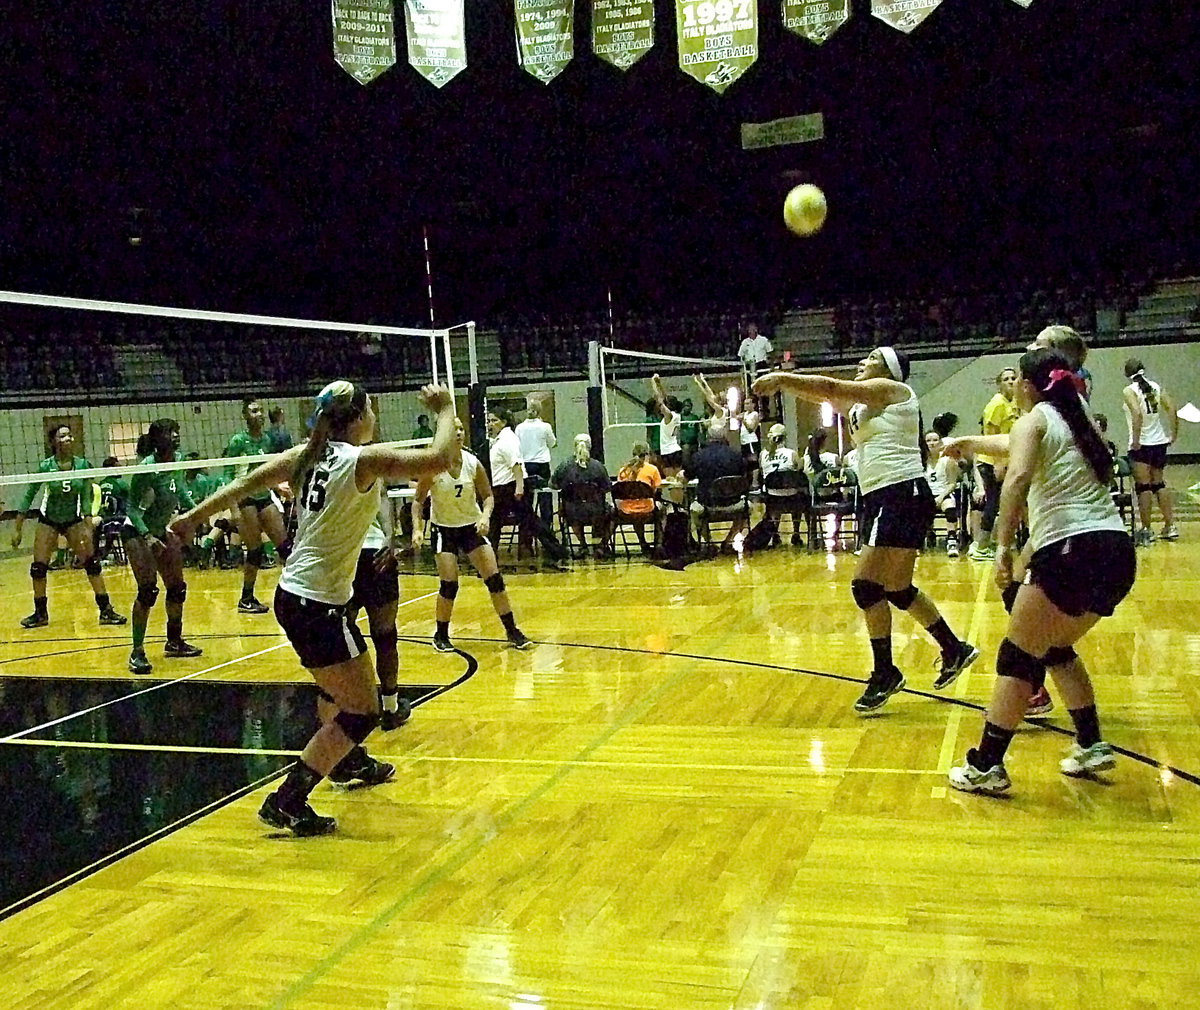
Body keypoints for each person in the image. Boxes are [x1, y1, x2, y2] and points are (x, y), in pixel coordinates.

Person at [172, 381, 458, 836]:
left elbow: (245, 484)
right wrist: (445, 409)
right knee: (362, 710)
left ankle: (340, 765)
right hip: (317, 604)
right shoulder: (361, 460)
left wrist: (192, 519)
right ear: (360, 417)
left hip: (301, 595)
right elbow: (441, 458)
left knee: (342, 692)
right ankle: (288, 800)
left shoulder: (308, 455)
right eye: (371, 411)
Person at [949, 348, 1136, 794]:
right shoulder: (1078, 415)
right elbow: (1017, 442)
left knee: (1017, 657)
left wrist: (1001, 546)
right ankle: (1090, 744)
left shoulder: (1034, 419)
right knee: (1054, 647)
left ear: (1029, 386)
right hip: (1115, 551)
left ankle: (987, 765)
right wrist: (972, 443)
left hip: (1072, 550)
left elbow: (1015, 476)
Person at [754, 346, 978, 712]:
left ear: (888, 369)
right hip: (887, 496)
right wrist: (787, 389)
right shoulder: (863, 407)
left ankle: (885, 672)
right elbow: (826, 393)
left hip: (900, 492)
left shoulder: (895, 391)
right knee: (898, 589)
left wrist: (781, 378)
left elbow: (831, 385)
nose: (863, 362)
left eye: (872, 358)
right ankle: (954, 649)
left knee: (865, 586)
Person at [412, 418, 532, 653]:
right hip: (444, 529)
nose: (458, 432)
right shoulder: (433, 467)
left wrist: (485, 516)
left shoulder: (473, 463)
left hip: (470, 527)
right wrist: (417, 529)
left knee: (495, 580)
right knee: (449, 585)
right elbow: (418, 501)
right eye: (453, 429)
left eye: (461, 428)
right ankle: (441, 634)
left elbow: (488, 496)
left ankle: (512, 631)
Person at [11, 425, 126, 629]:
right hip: (49, 519)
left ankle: (106, 610)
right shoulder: (46, 467)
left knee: (91, 563)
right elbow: (29, 494)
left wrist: (89, 517)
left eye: (69, 435)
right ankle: (40, 613)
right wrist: (18, 527)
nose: (68, 439)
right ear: (53, 442)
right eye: (62, 436)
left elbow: (88, 493)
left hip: (73, 519)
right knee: (38, 567)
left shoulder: (82, 465)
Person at [124, 419, 204, 675]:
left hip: (160, 530)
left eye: (177, 431)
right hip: (136, 532)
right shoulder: (147, 468)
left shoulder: (177, 461)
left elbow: (179, 490)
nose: (176, 436)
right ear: (159, 439)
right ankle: (137, 652)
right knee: (148, 591)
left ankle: (174, 641)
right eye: (171, 433)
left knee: (177, 588)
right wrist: (147, 536)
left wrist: (196, 512)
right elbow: (132, 509)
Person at [225, 397, 290, 614]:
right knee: (255, 551)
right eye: (253, 411)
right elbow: (228, 475)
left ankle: (296, 593)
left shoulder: (267, 440)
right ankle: (246, 597)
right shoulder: (237, 441)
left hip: (263, 495)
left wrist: (279, 487)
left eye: (260, 410)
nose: (259, 414)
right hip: (244, 498)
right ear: (245, 415)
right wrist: (233, 507)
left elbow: (267, 471)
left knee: (285, 547)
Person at [486, 407, 568, 567]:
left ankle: (557, 550)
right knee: (522, 521)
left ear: (503, 422)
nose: (490, 424)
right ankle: (557, 550)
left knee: (524, 521)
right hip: (502, 487)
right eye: (489, 421)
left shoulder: (507, 439)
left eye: (494, 420)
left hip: (509, 487)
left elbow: (516, 465)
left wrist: (519, 487)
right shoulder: (499, 439)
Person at [1122, 357, 1178, 544]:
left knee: (1144, 486)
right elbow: (1171, 408)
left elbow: (1137, 414)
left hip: (1142, 444)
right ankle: (1170, 526)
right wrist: (1173, 434)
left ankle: (1146, 529)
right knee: (1159, 483)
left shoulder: (1129, 391)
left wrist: (1136, 440)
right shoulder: (1156, 386)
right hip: (1159, 442)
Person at [969, 367, 1020, 561]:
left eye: (1013, 378)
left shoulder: (1013, 404)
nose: (1010, 381)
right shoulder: (996, 404)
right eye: (1006, 378)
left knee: (1000, 503)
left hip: (1007, 459)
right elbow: (990, 434)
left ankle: (990, 542)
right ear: (999, 384)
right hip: (990, 462)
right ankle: (980, 546)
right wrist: (998, 462)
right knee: (992, 503)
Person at [682, 418, 748, 551]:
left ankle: (709, 542)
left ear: (708, 437)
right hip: (733, 503)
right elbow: (744, 477)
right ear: (724, 437)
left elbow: (686, 478)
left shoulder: (698, 456)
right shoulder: (736, 455)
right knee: (748, 508)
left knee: (694, 510)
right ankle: (728, 540)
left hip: (708, 504)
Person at [758, 423, 804, 547]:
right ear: (784, 438)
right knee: (799, 494)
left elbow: (762, 474)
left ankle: (775, 534)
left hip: (773, 498)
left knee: (773, 497)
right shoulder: (792, 454)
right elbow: (800, 471)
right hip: (791, 497)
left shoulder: (763, 455)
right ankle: (796, 532)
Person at [515, 402, 557, 529]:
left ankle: (527, 525)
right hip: (542, 464)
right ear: (539, 411)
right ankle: (546, 524)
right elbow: (553, 443)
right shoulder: (545, 427)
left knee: (527, 497)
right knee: (545, 494)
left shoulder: (519, 428)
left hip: (526, 465)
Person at [615, 442, 661, 555]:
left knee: (619, 511)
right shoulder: (652, 470)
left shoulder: (623, 470)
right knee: (662, 510)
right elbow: (655, 491)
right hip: (646, 510)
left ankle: (642, 542)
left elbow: (620, 489)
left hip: (627, 510)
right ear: (646, 455)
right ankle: (659, 544)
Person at [924, 431, 962, 557]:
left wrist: (940, 497)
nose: (932, 443)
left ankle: (951, 541)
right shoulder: (921, 462)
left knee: (950, 506)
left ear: (940, 443)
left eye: (935, 440)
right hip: (927, 495)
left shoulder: (947, 460)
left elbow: (952, 483)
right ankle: (926, 535)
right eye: (928, 441)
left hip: (943, 494)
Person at [649, 374, 684, 478]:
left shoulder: (669, 416)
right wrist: (660, 384)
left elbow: (659, 400)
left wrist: (653, 382)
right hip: (675, 450)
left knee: (671, 481)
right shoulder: (677, 416)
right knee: (678, 480)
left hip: (668, 452)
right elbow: (665, 398)